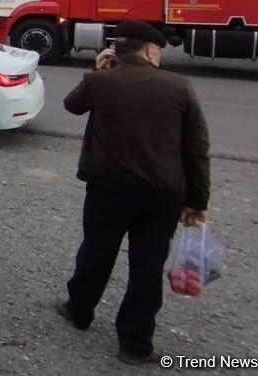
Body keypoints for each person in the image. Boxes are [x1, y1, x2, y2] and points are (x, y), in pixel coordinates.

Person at [58, 21, 211, 366]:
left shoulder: (100, 82)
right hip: (162, 196)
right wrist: (198, 202)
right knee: (147, 266)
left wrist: (96, 71)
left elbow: (72, 105)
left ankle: (79, 311)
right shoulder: (179, 87)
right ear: (151, 50)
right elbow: (197, 149)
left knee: (96, 252)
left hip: (107, 190)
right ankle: (135, 344)